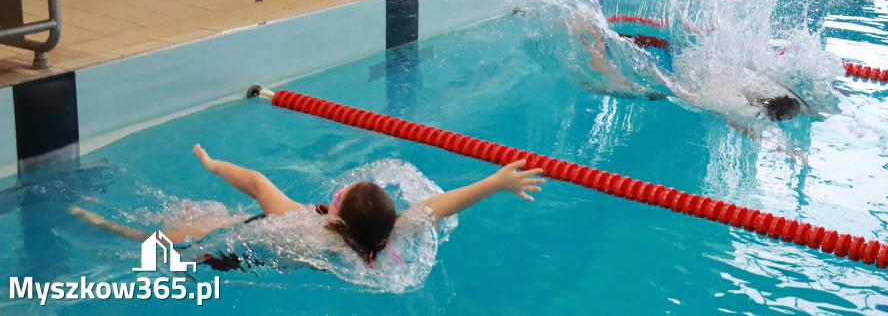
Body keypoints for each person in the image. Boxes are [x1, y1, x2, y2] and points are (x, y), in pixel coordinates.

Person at [72, 144, 544, 265]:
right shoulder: (384, 237)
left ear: (335, 213)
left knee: (170, 236)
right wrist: (496, 181)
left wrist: (213, 165)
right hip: (265, 256)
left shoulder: (306, 222)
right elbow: (439, 206)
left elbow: (258, 183)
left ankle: (101, 225)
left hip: (241, 247)